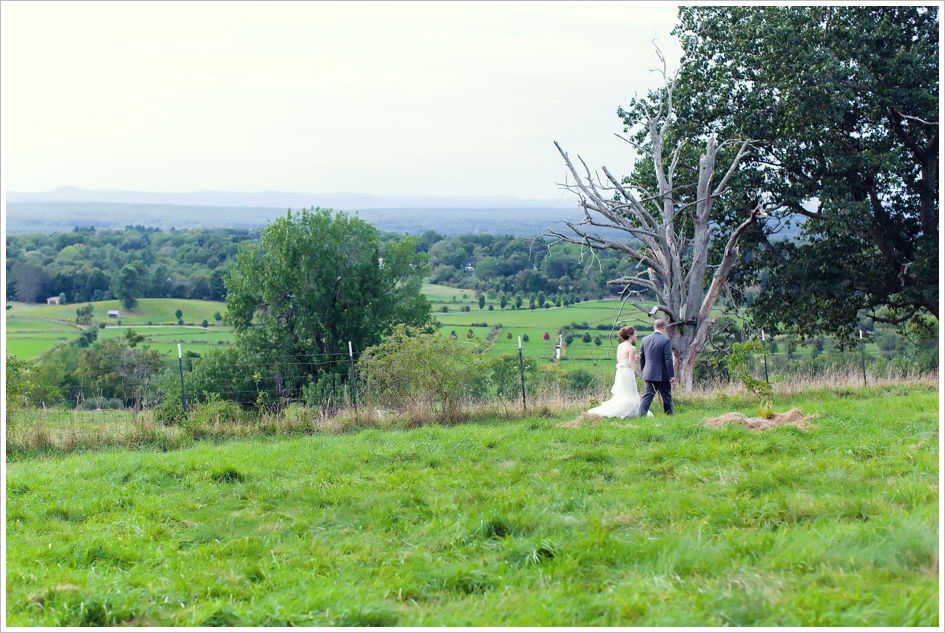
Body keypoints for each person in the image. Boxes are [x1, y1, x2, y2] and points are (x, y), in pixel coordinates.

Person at [586, 326, 652, 419]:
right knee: (631, 393)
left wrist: (634, 357)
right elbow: (632, 364)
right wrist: (641, 374)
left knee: (623, 393)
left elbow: (620, 359)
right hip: (628, 373)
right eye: (635, 334)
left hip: (621, 372)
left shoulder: (620, 345)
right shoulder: (631, 348)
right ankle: (628, 412)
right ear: (630, 335)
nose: (636, 335)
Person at [638, 318, 675, 416]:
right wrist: (671, 374)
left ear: (654, 326)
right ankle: (669, 416)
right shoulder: (665, 340)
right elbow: (668, 359)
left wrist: (644, 371)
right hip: (662, 374)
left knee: (647, 396)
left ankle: (641, 415)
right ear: (663, 328)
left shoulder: (645, 339)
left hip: (648, 373)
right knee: (666, 396)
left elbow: (642, 357)